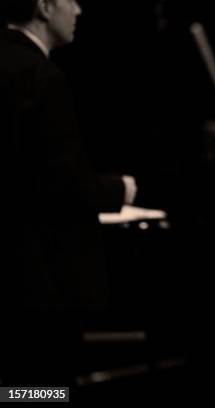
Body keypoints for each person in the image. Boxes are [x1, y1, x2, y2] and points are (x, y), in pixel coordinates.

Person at [0, 0, 137, 384]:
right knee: (45, 388)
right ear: (44, 7)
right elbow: (62, 186)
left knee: (9, 390)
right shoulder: (42, 77)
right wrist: (119, 189)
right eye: (70, 0)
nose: (78, 9)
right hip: (36, 271)